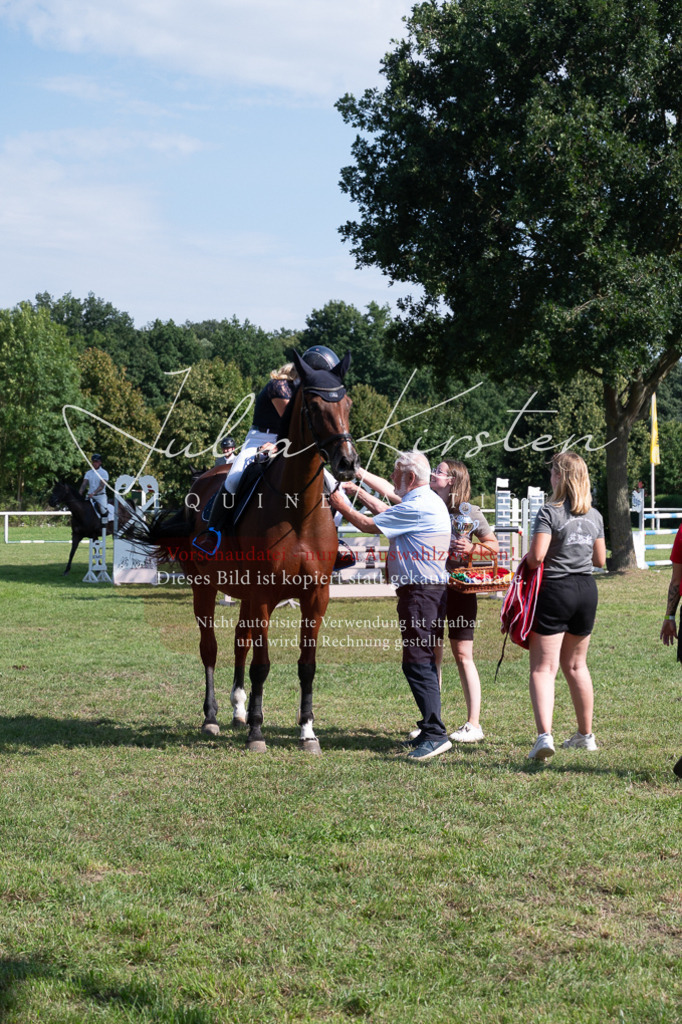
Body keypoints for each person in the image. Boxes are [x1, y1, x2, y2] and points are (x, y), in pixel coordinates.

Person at [330, 452, 453, 761]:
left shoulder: (418, 505)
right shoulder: (425, 501)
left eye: (398, 476)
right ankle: (429, 729)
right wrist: (356, 489)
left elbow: (368, 524)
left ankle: (436, 734)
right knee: (420, 661)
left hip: (420, 594)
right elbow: (384, 507)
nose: (395, 481)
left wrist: (338, 501)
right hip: (427, 592)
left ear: (410, 478)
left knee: (417, 663)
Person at [194, 347, 340, 552]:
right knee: (234, 477)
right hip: (262, 439)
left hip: (295, 444)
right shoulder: (280, 387)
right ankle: (212, 533)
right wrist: (278, 445)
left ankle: (335, 540)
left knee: (335, 488)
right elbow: (288, 426)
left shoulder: (309, 393)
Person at [525, 452, 606, 761]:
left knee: (543, 668)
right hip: (586, 590)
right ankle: (586, 735)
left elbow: (537, 557)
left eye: (552, 473)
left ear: (559, 477)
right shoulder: (595, 516)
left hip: (556, 589)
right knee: (576, 666)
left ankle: (545, 736)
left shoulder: (550, 512)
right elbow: (599, 560)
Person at [429, 460, 499, 743]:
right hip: (431, 588)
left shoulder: (470, 513)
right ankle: (433, 722)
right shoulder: (428, 505)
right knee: (432, 655)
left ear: (453, 481)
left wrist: (472, 547)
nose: (433, 473)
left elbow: (493, 547)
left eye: (439, 471)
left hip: (461, 589)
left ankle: (474, 724)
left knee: (462, 655)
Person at [79, 454, 109, 519]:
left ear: (100, 462)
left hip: (100, 496)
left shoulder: (104, 473)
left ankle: (105, 524)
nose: (94, 463)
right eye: (93, 462)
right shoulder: (88, 473)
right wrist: (80, 493)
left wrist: (94, 493)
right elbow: (84, 484)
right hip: (90, 496)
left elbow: (101, 486)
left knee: (103, 510)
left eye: (96, 462)